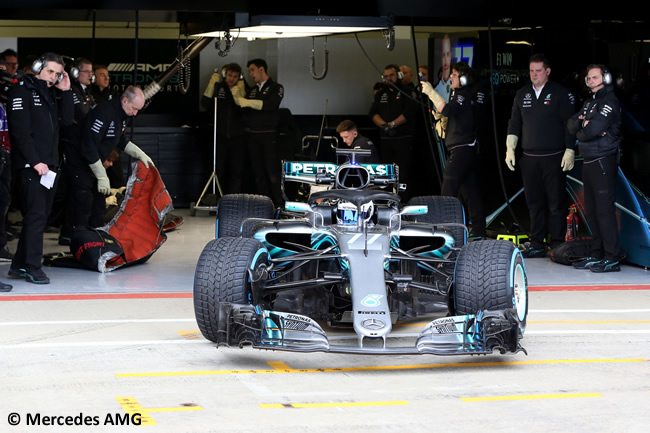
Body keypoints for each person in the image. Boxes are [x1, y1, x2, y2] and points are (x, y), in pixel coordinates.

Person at [6, 52, 74, 284]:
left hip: (49, 166)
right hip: (31, 166)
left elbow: (66, 122)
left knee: (39, 218)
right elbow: (20, 131)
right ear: (37, 68)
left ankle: (18, 266)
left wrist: (65, 92)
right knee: (35, 217)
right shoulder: (21, 91)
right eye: (50, 72)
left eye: (57, 73)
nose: (53, 77)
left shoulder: (49, 93)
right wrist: (35, 161)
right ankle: (33, 267)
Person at [505, 53, 577, 257]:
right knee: (533, 202)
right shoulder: (522, 93)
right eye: (531, 71)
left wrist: (570, 150)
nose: (534, 75)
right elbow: (514, 122)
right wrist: (510, 148)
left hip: (553, 156)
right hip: (529, 157)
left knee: (555, 203)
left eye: (538, 71)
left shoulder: (560, 93)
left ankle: (556, 243)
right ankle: (537, 242)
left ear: (547, 71)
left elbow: (569, 125)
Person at [67, 85, 153, 230]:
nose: (135, 113)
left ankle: (96, 237)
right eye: (134, 108)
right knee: (84, 203)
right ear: (125, 100)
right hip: (80, 161)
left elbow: (120, 139)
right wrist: (101, 176)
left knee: (99, 204)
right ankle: (77, 238)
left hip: (95, 163)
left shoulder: (122, 114)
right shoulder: (104, 112)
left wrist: (140, 154)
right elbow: (89, 146)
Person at [568, 64, 624, 272]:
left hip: (603, 159)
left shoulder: (609, 100)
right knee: (590, 211)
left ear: (605, 78)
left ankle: (612, 257)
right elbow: (571, 124)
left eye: (594, 77)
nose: (590, 81)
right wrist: (584, 126)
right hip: (590, 159)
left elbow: (595, 128)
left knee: (604, 210)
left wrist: (585, 127)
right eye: (588, 78)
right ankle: (597, 253)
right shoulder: (589, 102)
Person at [422, 61, 486, 239]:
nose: (451, 78)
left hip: (462, 149)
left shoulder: (463, 94)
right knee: (470, 192)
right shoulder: (459, 94)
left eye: (455, 75)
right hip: (465, 148)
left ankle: (445, 232)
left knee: (448, 190)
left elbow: (448, 110)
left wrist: (431, 92)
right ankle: (478, 231)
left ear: (464, 78)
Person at [233, 58, 284, 206]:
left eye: (253, 70)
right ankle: (264, 205)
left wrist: (247, 102)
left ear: (262, 69)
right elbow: (243, 108)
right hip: (253, 136)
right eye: (249, 71)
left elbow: (270, 104)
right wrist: (238, 96)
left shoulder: (276, 87)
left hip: (269, 135)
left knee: (273, 173)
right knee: (258, 174)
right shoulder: (253, 90)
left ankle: (279, 204)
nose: (251, 74)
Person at [58, 57, 97, 244]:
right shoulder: (72, 91)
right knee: (81, 192)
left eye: (91, 72)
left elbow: (89, 115)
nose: (91, 75)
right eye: (86, 71)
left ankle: (67, 232)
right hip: (72, 147)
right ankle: (77, 233)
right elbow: (82, 115)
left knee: (77, 192)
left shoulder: (87, 92)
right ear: (75, 73)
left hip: (82, 147)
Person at [369, 64, 417, 197]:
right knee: (386, 173)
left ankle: (404, 200)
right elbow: (373, 113)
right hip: (386, 140)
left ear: (399, 75)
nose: (388, 78)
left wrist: (393, 124)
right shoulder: (380, 94)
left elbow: (409, 113)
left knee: (404, 173)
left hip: (404, 139)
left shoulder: (408, 91)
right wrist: (384, 125)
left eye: (391, 75)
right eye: (386, 76)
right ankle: (387, 199)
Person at [201, 63, 247, 194]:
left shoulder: (242, 88)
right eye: (230, 75)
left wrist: (241, 93)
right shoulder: (218, 87)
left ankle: (234, 201)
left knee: (236, 171)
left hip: (237, 137)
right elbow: (204, 104)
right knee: (218, 169)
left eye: (235, 76)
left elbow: (247, 110)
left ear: (239, 77)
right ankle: (216, 199)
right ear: (225, 75)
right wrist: (211, 86)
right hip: (219, 135)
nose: (232, 79)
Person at [434, 35, 452, 104]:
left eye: (448, 54)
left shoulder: (456, 86)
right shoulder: (435, 87)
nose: (445, 60)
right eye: (443, 55)